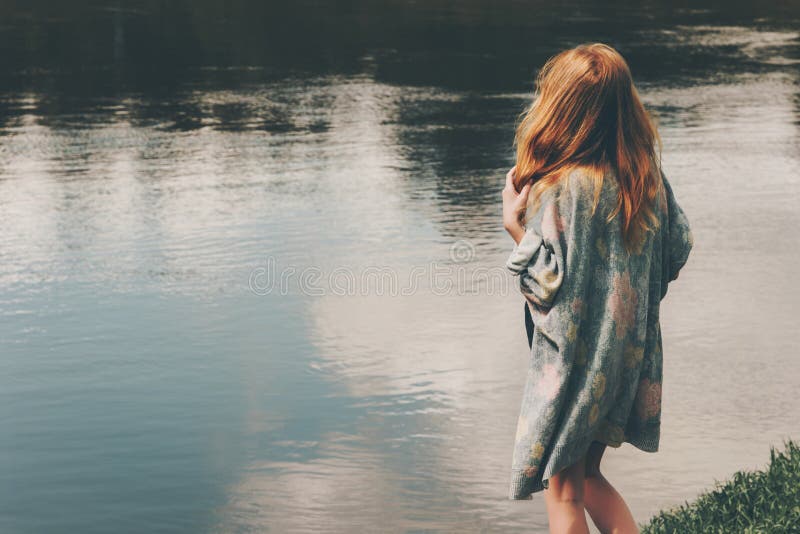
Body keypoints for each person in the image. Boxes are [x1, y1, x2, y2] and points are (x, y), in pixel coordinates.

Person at [501, 43, 694, 533]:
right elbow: (678, 246)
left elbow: (547, 287)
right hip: (624, 356)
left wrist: (516, 230)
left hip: (575, 361)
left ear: (560, 110)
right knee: (587, 475)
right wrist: (627, 296)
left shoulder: (561, 188)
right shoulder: (646, 179)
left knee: (564, 490)